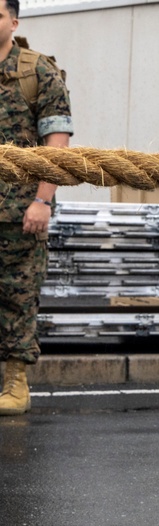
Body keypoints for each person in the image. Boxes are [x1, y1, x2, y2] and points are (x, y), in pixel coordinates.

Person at [0, 0, 72, 415]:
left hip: (18, 210)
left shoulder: (37, 71)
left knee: (17, 298)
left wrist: (43, 200)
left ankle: (15, 383)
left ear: (14, 21)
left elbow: (57, 146)